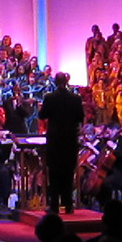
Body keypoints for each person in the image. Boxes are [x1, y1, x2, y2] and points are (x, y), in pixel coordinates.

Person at [38, 72, 85, 214]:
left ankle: (54, 206)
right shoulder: (75, 98)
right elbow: (80, 117)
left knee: (54, 172)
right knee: (68, 172)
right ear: (66, 81)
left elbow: (42, 115)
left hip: (55, 140)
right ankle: (68, 205)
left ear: (55, 82)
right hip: (70, 139)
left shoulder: (49, 98)